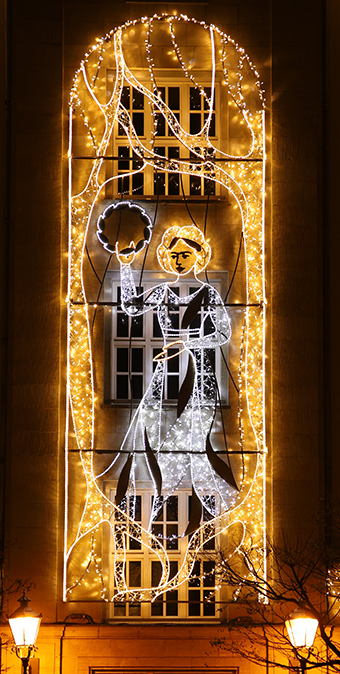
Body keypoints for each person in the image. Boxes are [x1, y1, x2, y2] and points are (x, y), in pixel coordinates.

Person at [103, 223, 237, 541]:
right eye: (174, 254)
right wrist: (125, 265)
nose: (179, 260)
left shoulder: (209, 294)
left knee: (195, 452)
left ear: (198, 257)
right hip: (165, 377)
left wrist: (186, 345)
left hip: (199, 379)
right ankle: (147, 526)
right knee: (146, 444)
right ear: (166, 257)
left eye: (185, 254)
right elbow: (131, 307)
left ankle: (199, 522)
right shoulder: (163, 292)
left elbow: (223, 333)